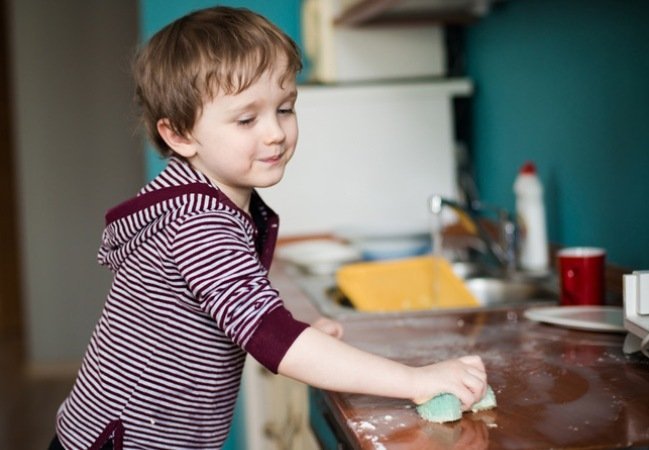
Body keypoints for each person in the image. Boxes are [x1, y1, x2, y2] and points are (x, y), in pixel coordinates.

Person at [49, 6, 487, 450]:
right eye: (246, 119)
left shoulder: (204, 202)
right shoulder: (196, 222)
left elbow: (237, 311)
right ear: (179, 133)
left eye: (285, 108)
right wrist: (417, 381)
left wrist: (290, 330)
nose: (275, 133)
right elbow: (269, 338)